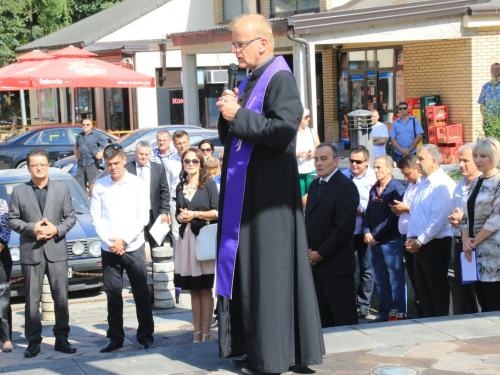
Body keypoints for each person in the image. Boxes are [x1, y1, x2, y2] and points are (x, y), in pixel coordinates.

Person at [215, 13, 324, 375]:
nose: (235, 50)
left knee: (268, 277)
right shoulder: (251, 79)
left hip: (268, 201)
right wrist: (228, 113)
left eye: (239, 44)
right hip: (247, 198)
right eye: (233, 43)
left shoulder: (280, 79)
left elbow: (281, 132)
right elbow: (235, 133)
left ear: (262, 43)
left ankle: (272, 356)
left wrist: (238, 115)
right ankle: (252, 348)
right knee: (247, 274)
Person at [8, 148, 77, 358]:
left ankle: (62, 338)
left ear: (48, 166)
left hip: (56, 251)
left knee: (61, 298)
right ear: (28, 167)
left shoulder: (61, 189)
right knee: (32, 300)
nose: (39, 168)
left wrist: (56, 229)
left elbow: (70, 217)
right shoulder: (19, 191)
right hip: (32, 252)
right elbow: (12, 219)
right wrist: (32, 228)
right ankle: (33, 341)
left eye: (43, 164)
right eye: (34, 165)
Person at [90, 143, 154, 352]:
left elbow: (142, 217)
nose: (113, 167)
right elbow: (96, 219)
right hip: (109, 248)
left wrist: (124, 240)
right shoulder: (100, 186)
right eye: (109, 164)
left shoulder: (137, 184)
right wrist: (111, 241)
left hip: (133, 246)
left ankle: (145, 335)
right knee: (113, 294)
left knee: (140, 293)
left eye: (116, 163)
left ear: (124, 160)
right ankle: (115, 337)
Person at [305, 143, 359, 328]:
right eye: (316, 159)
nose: (319, 163)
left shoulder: (346, 187)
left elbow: (343, 229)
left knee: (343, 319)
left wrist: (321, 254)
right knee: (322, 318)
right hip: (315, 266)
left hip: (336, 266)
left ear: (336, 161)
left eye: (324, 159)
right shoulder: (314, 185)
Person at [174, 147, 218, 342]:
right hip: (185, 240)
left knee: (205, 288)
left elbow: (218, 212)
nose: (190, 164)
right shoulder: (179, 187)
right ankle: (197, 332)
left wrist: (195, 214)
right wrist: (180, 216)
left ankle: (207, 333)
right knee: (193, 288)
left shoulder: (209, 185)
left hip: (203, 240)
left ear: (201, 164)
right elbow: (177, 213)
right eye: (187, 161)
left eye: (194, 161)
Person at [405, 144, 455, 318]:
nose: (417, 162)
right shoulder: (423, 183)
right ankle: (428, 326)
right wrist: (411, 238)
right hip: (419, 245)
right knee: (423, 293)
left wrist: (419, 241)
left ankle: (440, 327)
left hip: (434, 245)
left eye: (421, 159)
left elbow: (438, 221)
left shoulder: (443, 184)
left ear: (434, 161)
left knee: (437, 292)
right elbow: (416, 213)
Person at [363, 155, 406, 322]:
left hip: (390, 241)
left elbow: (392, 217)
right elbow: (368, 212)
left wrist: (374, 234)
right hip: (374, 242)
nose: (376, 170)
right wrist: (366, 231)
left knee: (396, 281)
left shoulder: (396, 189)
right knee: (380, 280)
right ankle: (384, 314)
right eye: (375, 167)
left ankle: (399, 314)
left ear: (390, 168)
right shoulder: (374, 188)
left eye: (380, 167)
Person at [461, 137, 500, 312]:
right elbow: (465, 216)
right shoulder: (476, 181)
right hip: (474, 253)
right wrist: (465, 241)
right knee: (483, 303)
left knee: (494, 304)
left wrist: (473, 242)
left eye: (483, 156)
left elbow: (496, 218)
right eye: (475, 155)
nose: (478, 160)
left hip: (494, 254)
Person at [342, 145, 376, 319]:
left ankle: (363, 304)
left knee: (366, 268)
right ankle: (347, 301)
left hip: (364, 230)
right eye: (351, 161)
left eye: (358, 162)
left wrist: (360, 210)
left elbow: (375, 203)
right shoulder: (343, 176)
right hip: (346, 230)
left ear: (367, 161)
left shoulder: (373, 178)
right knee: (346, 266)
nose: (354, 165)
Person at [448, 143, 481, 315]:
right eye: (460, 160)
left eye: (466, 160)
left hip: (476, 245)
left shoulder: (484, 185)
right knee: (461, 297)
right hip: (459, 244)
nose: (461, 164)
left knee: (477, 296)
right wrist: (454, 219)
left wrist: (463, 221)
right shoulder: (460, 184)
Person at [391, 154, 423, 318]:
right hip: (407, 236)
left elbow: (424, 211)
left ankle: (422, 310)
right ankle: (418, 309)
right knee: (412, 275)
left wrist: (406, 209)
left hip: (419, 238)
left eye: (407, 173)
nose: (405, 177)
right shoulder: (411, 185)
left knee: (420, 279)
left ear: (417, 168)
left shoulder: (423, 185)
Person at [125, 140, 170, 249]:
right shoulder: (127, 169)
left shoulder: (158, 169)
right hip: (134, 214)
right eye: (141, 154)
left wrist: (164, 212)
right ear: (136, 153)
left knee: (157, 245)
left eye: (146, 154)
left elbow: (164, 191)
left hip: (154, 213)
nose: (144, 157)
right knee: (134, 244)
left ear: (150, 154)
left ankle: (157, 264)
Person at [165, 130, 191, 256]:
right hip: (176, 202)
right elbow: (167, 186)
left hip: (194, 201)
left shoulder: (197, 158)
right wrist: (168, 209)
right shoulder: (169, 162)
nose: (182, 146)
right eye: (179, 143)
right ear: (174, 145)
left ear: (189, 142)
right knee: (177, 237)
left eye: (184, 142)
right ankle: (178, 268)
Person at [74, 118, 108, 191]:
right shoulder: (79, 136)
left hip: (92, 163)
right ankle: (83, 201)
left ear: (91, 125)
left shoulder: (96, 135)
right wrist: (76, 158)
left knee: (93, 185)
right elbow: (76, 147)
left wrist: (101, 153)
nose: (85, 126)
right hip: (81, 164)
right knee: (80, 186)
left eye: (87, 125)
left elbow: (106, 145)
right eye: (84, 125)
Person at [296, 108, 320, 196]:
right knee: (300, 198)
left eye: (309, 116)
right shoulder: (292, 133)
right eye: (306, 117)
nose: (309, 119)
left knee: (313, 196)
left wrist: (314, 153)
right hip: (298, 170)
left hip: (311, 169)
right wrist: (296, 154)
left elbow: (319, 148)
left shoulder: (312, 131)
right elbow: (286, 151)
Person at [0, 198, 12, 352]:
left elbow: (5, 231)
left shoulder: (1, 204)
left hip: (1, 256)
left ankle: (6, 338)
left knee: (2, 298)